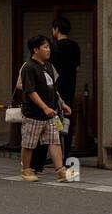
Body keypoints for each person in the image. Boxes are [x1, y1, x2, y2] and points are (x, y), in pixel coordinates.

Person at [30, 17, 80, 172]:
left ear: (56, 29)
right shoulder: (75, 47)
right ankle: (64, 158)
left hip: (52, 93)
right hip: (68, 92)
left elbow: (47, 68)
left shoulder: (54, 47)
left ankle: (39, 162)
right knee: (65, 126)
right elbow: (76, 68)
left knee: (46, 126)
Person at [19, 34, 72, 182]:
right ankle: (26, 170)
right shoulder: (29, 67)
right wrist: (44, 107)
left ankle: (61, 171)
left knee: (54, 142)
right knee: (29, 144)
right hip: (33, 114)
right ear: (35, 50)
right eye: (45, 47)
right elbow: (30, 91)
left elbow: (53, 89)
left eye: (49, 46)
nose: (49, 50)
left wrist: (61, 103)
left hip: (51, 114)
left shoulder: (48, 66)